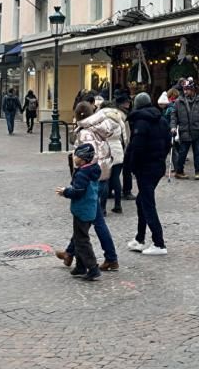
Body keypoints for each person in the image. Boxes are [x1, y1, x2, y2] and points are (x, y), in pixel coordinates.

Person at [72, 101, 120, 271]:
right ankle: (71, 253)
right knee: (85, 218)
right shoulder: (98, 126)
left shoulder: (86, 132)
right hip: (102, 173)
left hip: (91, 177)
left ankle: (110, 258)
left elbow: (87, 155)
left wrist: (80, 174)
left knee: (93, 219)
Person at [125, 92, 170, 255]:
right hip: (157, 166)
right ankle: (140, 238)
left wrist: (133, 167)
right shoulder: (162, 120)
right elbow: (168, 144)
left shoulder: (140, 122)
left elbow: (137, 147)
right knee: (141, 201)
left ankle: (159, 243)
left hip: (145, 168)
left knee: (147, 203)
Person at [55, 143, 103, 281]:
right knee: (78, 237)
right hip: (88, 208)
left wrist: (65, 192)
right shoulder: (92, 170)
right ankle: (80, 266)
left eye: (76, 155)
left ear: (82, 159)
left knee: (82, 240)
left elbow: (78, 192)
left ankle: (92, 268)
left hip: (83, 210)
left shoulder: (83, 173)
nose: (74, 157)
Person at [169, 81, 199, 179]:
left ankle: (198, 172)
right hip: (184, 130)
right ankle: (179, 171)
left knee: (198, 152)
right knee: (182, 153)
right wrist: (173, 126)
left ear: (193, 90)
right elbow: (173, 115)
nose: (185, 91)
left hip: (197, 130)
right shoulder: (179, 101)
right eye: (184, 89)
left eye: (187, 89)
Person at [98, 98, 130, 213]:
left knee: (104, 179)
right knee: (116, 178)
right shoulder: (118, 118)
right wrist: (125, 148)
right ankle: (118, 205)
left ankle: (102, 208)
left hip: (104, 149)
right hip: (117, 149)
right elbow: (125, 137)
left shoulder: (99, 118)